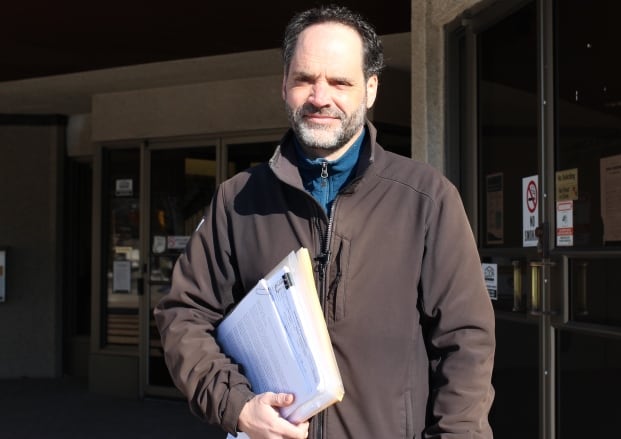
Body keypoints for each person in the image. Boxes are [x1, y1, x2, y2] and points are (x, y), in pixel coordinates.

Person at [154, 5, 495, 439]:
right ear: (284, 86)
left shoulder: (426, 199)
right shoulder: (237, 200)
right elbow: (184, 314)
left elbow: (465, 344)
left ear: (370, 89)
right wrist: (237, 406)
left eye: (340, 82)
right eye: (304, 80)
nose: (320, 97)